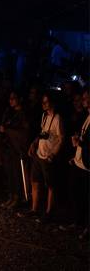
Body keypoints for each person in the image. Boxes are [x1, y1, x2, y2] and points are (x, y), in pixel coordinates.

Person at [21, 92, 63, 223]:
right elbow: (41, 133)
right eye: (43, 102)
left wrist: (53, 154)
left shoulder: (58, 119)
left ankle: (49, 212)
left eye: (46, 102)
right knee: (35, 181)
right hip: (39, 153)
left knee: (50, 185)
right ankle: (34, 210)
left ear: (52, 103)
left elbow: (61, 138)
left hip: (48, 156)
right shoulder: (44, 116)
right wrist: (34, 144)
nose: (43, 104)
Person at [0, 91, 30, 209]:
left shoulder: (23, 114)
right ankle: (11, 196)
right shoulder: (9, 112)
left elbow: (24, 133)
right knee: (9, 175)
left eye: (13, 98)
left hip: (16, 150)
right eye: (10, 98)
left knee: (16, 174)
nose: (11, 101)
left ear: (19, 99)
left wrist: (7, 130)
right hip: (7, 149)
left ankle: (18, 198)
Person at [69, 88, 89, 239]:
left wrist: (80, 143)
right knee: (78, 194)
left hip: (88, 164)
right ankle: (79, 221)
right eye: (83, 98)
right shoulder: (87, 116)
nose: (84, 100)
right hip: (80, 161)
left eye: (87, 97)